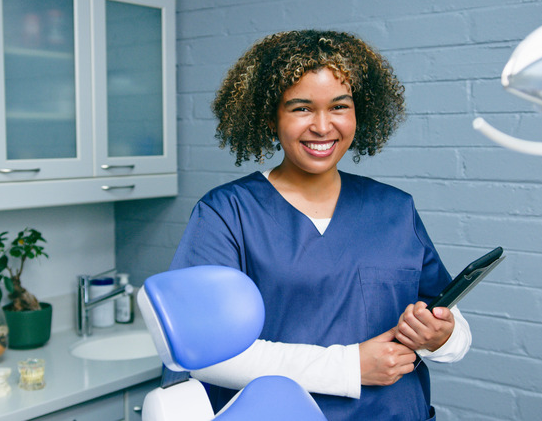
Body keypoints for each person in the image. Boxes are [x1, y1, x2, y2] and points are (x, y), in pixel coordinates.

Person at [169, 30, 471, 420]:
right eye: (301, 108)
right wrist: (349, 368)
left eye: (340, 107)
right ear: (270, 115)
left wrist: (442, 338)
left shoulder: (395, 209)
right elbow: (202, 353)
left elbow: (450, 319)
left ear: (359, 111)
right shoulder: (227, 213)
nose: (323, 126)